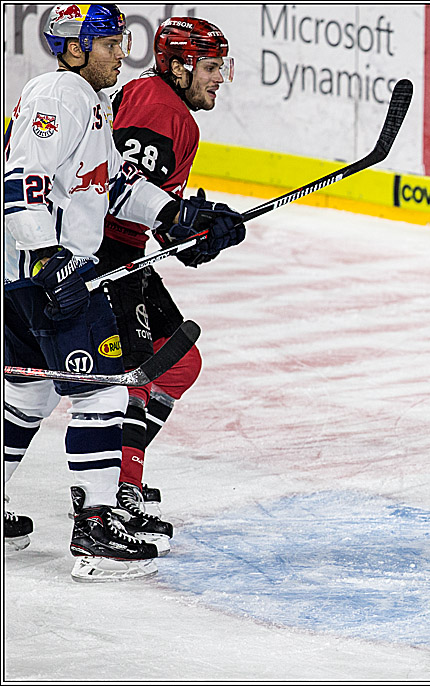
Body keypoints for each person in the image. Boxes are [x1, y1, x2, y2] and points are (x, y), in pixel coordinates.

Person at [2, 4, 244, 581]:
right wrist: (49, 260)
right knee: (102, 391)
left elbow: (114, 187)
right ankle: (95, 525)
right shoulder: (58, 95)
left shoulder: (92, 102)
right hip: (50, 272)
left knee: (30, 396)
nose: (121, 52)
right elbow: (22, 179)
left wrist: (179, 214)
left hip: (42, 272)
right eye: (109, 43)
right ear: (76, 49)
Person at [93, 16, 243, 554]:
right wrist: (181, 222)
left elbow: (150, 201)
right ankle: (112, 496)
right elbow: (118, 190)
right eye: (209, 67)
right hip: (101, 257)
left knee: (177, 361)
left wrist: (199, 231)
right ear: (178, 66)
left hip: (125, 252)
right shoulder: (157, 106)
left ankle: (123, 486)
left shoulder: (166, 105)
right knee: (133, 374)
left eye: (222, 67)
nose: (219, 78)